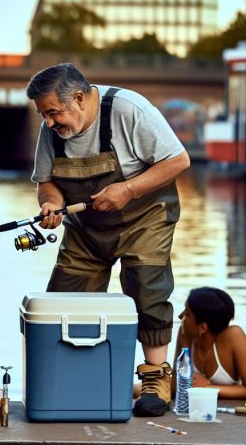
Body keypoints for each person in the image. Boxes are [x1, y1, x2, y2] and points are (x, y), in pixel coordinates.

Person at [27, 63, 191, 417]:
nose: (50, 122)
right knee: (65, 298)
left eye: (54, 112)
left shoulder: (129, 110)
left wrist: (128, 189)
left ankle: (155, 379)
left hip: (145, 217)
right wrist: (51, 205)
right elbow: (46, 181)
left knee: (146, 284)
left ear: (80, 98)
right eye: (44, 115)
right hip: (86, 228)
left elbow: (178, 160)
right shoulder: (51, 130)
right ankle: (73, 378)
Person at [173, 287, 246, 400]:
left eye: (187, 313)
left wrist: (206, 388)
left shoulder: (234, 336)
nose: (180, 316)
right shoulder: (185, 334)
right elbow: (178, 381)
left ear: (202, 327)